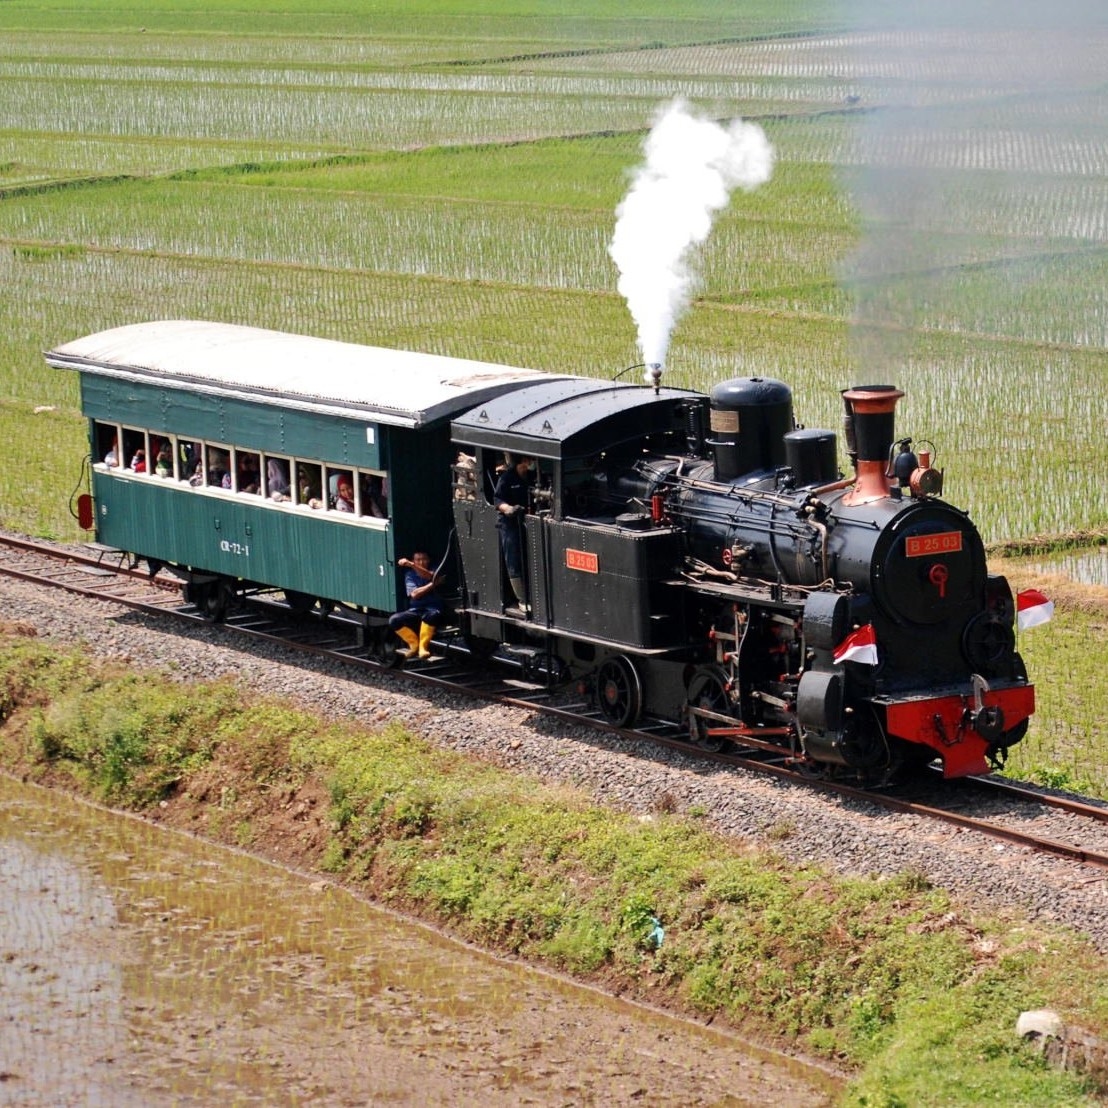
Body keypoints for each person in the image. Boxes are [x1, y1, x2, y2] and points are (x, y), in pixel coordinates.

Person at [493, 453, 534, 613]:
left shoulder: (532, 477)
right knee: (513, 558)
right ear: (524, 460)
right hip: (509, 523)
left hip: (528, 522)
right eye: (532, 459)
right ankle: (522, 599)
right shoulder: (507, 478)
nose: (533, 463)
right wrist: (508, 509)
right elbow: (498, 500)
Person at [389, 552, 444, 660]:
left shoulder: (435, 568)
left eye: (424, 559)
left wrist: (412, 565)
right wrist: (433, 584)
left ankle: (423, 647)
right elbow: (414, 594)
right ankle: (414, 644)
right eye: (418, 560)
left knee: (431, 616)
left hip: (433, 608)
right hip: (416, 610)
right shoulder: (410, 574)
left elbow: (429, 575)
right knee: (394, 620)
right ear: (414, 561)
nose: (421, 562)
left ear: (429, 560)